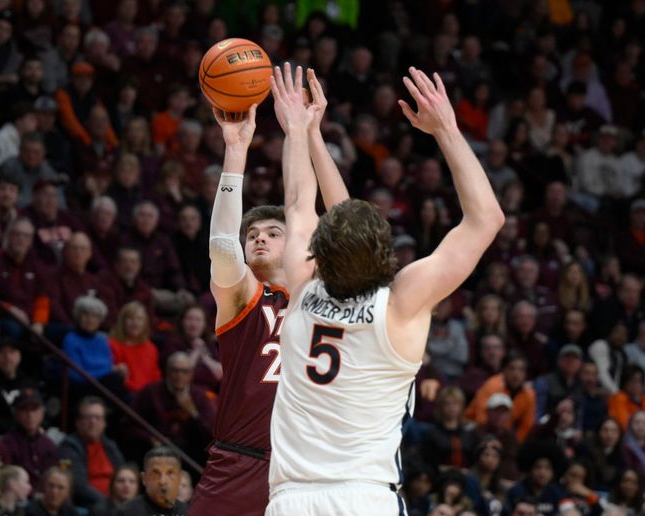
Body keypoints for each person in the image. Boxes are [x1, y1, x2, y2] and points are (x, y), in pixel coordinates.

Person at [265, 65, 504, 515]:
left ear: (318, 253)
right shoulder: (401, 305)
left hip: (292, 498)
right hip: (365, 496)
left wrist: (300, 130)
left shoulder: (302, 284)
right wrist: (447, 128)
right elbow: (486, 219)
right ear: (386, 254)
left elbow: (299, 203)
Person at [191, 61, 345, 516]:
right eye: (252, 234)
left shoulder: (322, 295)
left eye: (273, 233)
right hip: (240, 464)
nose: (259, 236)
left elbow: (335, 218)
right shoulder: (244, 298)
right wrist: (235, 150)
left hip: (308, 473)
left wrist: (308, 132)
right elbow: (222, 244)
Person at [56, 397, 125, 508]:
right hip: (88, 506)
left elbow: (125, 474)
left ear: (104, 423)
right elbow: (79, 487)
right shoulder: (69, 447)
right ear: (78, 422)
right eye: (88, 417)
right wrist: (110, 504)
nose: (93, 422)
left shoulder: (110, 446)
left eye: (97, 418)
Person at [1, 389, 57, 491]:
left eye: (34, 409)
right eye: (24, 410)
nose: (30, 415)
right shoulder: (6, 444)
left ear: (42, 412)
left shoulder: (48, 445)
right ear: (16, 413)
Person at [113, 447, 187, 516]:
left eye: (170, 473)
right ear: (144, 478)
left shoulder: (189, 512)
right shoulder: (126, 512)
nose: (162, 481)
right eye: (156, 473)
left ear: (179, 478)